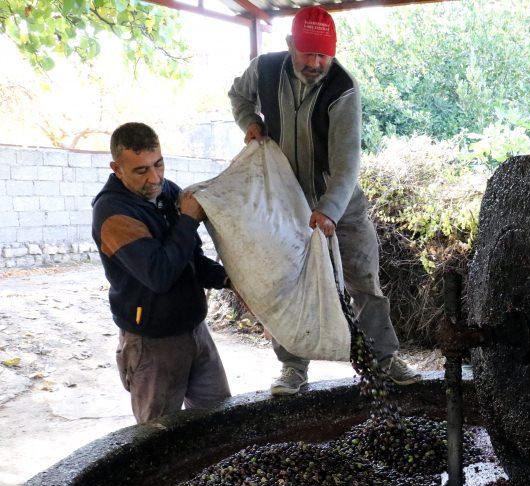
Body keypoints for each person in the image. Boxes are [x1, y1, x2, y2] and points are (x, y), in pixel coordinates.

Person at [229, 6, 421, 395]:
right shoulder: (264, 70)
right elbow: (238, 95)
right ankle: (292, 368)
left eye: (323, 55)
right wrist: (249, 121)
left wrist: (330, 211)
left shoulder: (343, 89)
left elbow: (347, 164)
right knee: (288, 283)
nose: (316, 63)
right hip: (287, 203)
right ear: (289, 46)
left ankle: (386, 359)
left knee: (363, 281)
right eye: (308, 54)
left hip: (342, 204)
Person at [92, 122, 232, 423]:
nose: (155, 178)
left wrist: (229, 279)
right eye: (141, 171)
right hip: (152, 345)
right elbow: (160, 274)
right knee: (159, 443)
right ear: (117, 168)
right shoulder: (113, 214)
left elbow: (190, 259)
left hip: (195, 331)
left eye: (159, 164)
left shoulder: (168, 193)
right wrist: (187, 220)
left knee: (221, 422)